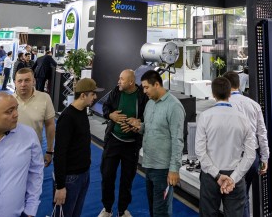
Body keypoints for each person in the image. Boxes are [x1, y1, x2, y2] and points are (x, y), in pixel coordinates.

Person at [126, 70, 185, 217]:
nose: (144, 91)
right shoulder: (150, 103)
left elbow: (177, 139)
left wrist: (174, 169)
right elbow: (150, 128)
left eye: (146, 87)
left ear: (157, 84)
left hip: (163, 169)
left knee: (161, 212)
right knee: (153, 209)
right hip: (149, 165)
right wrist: (139, 126)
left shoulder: (174, 106)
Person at [196, 77, 256, 217]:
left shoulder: (205, 117)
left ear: (213, 94)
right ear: (230, 93)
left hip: (210, 177)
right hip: (235, 176)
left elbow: (200, 151)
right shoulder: (243, 118)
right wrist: (234, 177)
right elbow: (250, 154)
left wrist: (217, 175)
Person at [98, 69, 149, 217]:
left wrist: (138, 122)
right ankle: (107, 209)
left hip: (131, 145)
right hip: (113, 141)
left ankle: (122, 210)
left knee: (127, 179)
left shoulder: (142, 96)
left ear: (131, 82)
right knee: (107, 176)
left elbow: (148, 116)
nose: (118, 81)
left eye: (122, 79)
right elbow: (105, 107)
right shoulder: (116, 92)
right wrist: (110, 115)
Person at [54, 78, 104, 217]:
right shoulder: (67, 118)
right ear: (83, 95)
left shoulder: (81, 111)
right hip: (70, 178)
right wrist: (60, 186)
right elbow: (59, 153)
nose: (95, 97)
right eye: (93, 94)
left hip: (83, 174)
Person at [223, 71, 270, 217]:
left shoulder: (223, 105)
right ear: (238, 84)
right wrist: (264, 158)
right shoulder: (254, 105)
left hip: (233, 159)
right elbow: (262, 133)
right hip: (252, 158)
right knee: (244, 197)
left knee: (233, 200)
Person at [13, 68, 55, 166]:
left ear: (34, 81)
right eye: (19, 81)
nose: (23, 84)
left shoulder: (45, 98)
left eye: (27, 80)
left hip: (35, 152)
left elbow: (50, 125)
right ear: (15, 83)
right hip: (12, 152)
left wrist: (49, 151)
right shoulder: (8, 100)